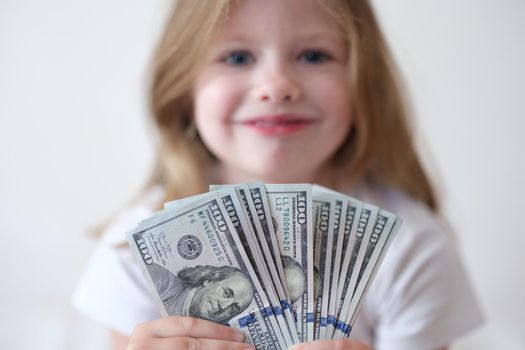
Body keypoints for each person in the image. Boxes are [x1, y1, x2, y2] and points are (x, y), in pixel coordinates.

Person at [73, 0, 484, 349]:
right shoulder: (132, 250)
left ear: (364, 87)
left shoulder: (412, 248)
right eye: (237, 57)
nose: (277, 86)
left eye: (313, 56)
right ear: (184, 91)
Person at [146, 263, 254, 324]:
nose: (224, 306)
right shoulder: (160, 280)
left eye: (233, 308)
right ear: (209, 281)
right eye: (226, 293)